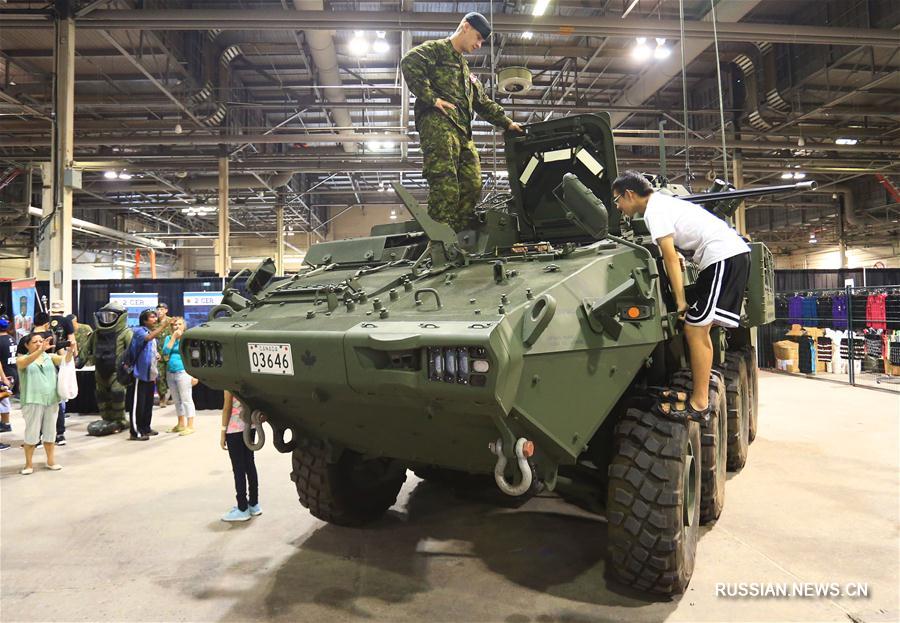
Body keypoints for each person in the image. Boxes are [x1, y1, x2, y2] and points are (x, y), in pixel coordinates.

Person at [612, 171, 751, 420]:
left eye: (618, 200)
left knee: (696, 328)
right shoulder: (662, 204)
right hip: (721, 256)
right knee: (697, 326)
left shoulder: (654, 211)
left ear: (630, 194)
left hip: (723, 256)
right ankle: (699, 397)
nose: (619, 207)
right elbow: (675, 254)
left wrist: (680, 300)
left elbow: (669, 258)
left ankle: (699, 404)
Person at [400, 12, 524, 232]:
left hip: (462, 134)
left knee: (472, 185)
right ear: (465, 27)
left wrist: (507, 123)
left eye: (481, 41)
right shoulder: (436, 50)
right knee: (445, 187)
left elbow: (482, 102)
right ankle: (439, 242)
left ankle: (457, 237)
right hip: (438, 126)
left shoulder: (465, 70)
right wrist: (431, 98)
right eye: (477, 37)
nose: (478, 44)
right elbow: (409, 62)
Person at [16, 332, 74, 474]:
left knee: (50, 432)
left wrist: (71, 350)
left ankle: (50, 461)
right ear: (26, 345)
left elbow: (65, 360)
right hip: (32, 400)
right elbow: (25, 363)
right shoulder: (22, 359)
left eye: (41, 341)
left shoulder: (50, 357)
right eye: (35, 341)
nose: (39, 343)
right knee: (32, 433)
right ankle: (28, 464)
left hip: (52, 399)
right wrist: (40, 350)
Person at [83, 303, 133, 436]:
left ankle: (120, 419)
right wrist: (79, 361)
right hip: (100, 371)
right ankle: (107, 418)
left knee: (117, 393)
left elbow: (133, 352)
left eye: (111, 316)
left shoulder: (126, 333)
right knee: (101, 395)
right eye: (104, 316)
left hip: (118, 371)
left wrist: (131, 369)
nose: (106, 320)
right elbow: (86, 349)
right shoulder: (96, 334)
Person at [125, 309, 170, 441]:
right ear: (144, 320)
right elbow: (148, 339)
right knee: (137, 404)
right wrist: (163, 325)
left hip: (150, 374)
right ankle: (135, 432)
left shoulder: (150, 332)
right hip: (139, 374)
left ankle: (145, 427)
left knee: (147, 403)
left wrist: (156, 355)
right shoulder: (139, 331)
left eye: (155, 317)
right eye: (152, 317)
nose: (155, 319)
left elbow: (149, 347)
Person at [220, 391, 261, 522]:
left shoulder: (229, 383)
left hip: (234, 428)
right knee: (250, 464)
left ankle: (242, 508)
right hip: (251, 426)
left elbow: (227, 408)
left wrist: (222, 432)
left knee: (238, 469)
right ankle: (254, 504)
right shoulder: (249, 381)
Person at [162, 317, 197, 436]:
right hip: (170, 372)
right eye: (175, 324)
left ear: (184, 326)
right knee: (177, 400)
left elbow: (194, 356)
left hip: (184, 372)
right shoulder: (168, 338)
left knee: (186, 399)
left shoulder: (187, 338)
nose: (177, 326)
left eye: (179, 324)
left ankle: (190, 425)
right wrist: (173, 338)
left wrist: (195, 375)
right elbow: (165, 352)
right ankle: (180, 424)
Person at [49, 301, 76, 446]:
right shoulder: (66, 321)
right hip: (63, 358)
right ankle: (60, 434)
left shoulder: (45, 321)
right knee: (61, 393)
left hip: (46, 359)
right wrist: (74, 354)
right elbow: (71, 340)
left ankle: (44, 434)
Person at [0, 316, 17, 438]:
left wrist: (3, 377)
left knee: (3, 400)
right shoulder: (11, 339)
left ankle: (5, 424)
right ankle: (5, 423)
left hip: (3, 374)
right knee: (4, 401)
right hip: (12, 372)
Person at [154, 302, 173, 408]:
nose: (159, 311)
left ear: (166, 310)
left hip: (169, 353)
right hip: (158, 355)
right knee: (159, 377)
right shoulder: (154, 323)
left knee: (170, 376)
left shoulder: (171, 322)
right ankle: (162, 398)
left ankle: (169, 397)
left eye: (162, 309)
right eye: (158, 309)